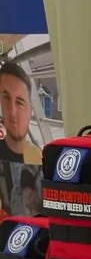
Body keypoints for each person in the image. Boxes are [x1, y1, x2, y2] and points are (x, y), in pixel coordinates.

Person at [0, 59, 42, 218]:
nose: (12, 112)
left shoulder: (39, 156)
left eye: (19, 102)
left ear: (30, 109)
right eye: (6, 99)